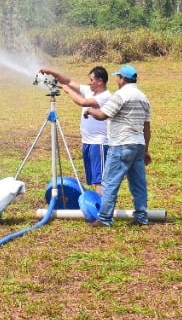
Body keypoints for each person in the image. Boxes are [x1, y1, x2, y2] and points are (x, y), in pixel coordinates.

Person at [55, 64, 151, 226]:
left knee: (109, 182)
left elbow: (102, 115)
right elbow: (147, 128)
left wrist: (90, 111)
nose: (117, 80)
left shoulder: (120, 96)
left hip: (121, 144)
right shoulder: (143, 97)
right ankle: (141, 217)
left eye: (118, 77)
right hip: (138, 144)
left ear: (122, 79)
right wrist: (146, 150)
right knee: (138, 184)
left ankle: (104, 218)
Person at [37, 65, 111, 191]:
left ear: (100, 81)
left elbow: (83, 102)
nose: (89, 82)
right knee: (94, 179)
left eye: (91, 80)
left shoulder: (106, 96)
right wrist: (51, 71)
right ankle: (97, 201)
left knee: (100, 180)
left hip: (99, 143)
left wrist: (68, 90)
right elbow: (68, 81)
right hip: (87, 142)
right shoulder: (89, 90)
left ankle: (102, 203)